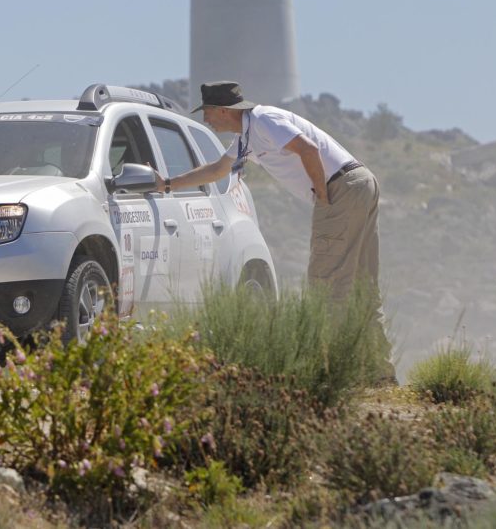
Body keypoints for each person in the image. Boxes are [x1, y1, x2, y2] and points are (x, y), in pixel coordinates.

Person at [155, 81, 394, 381]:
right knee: (362, 285)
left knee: (326, 286)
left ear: (223, 110)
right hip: (358, 184)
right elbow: (217, 170)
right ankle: (382, 374)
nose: (205, 120)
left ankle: (330, 372)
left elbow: (307, 148)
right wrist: (166, 184)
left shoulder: (264, 120)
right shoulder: (246, 138)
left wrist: (321, 194)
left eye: (208, 112)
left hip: (340, 190)